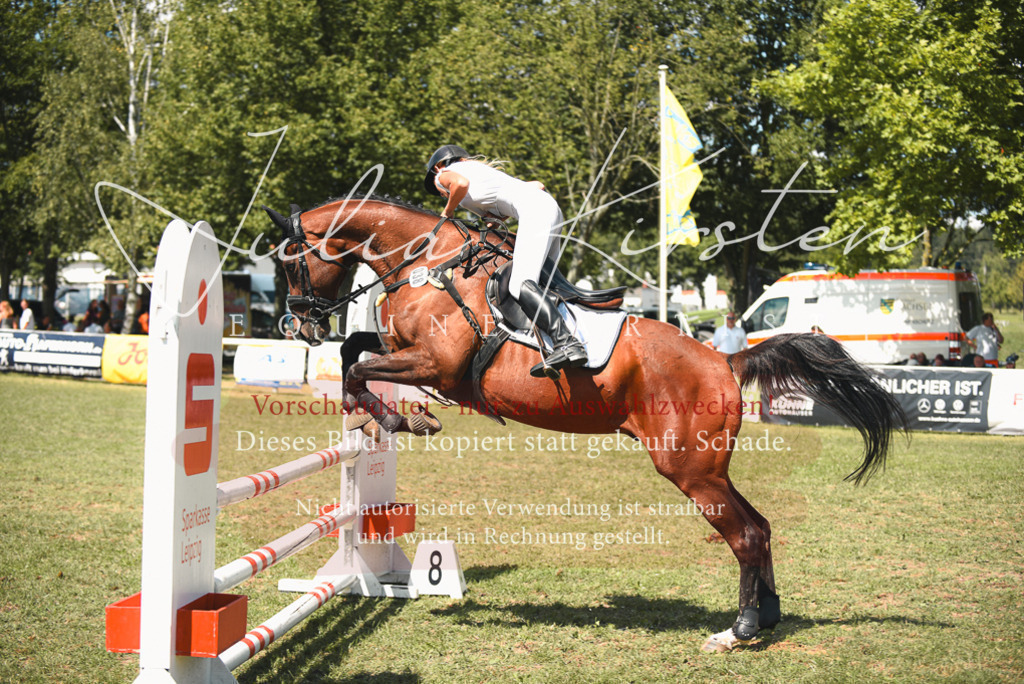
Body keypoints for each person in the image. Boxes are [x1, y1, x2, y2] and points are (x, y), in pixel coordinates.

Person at [424, 144, 586, 377]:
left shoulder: (442, 174)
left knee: (519, 285)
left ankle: (567, 343)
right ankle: (557, 343)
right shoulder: (483, 172)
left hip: (536, 212)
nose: (441, 191)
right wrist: (500, 213)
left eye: (439, 191)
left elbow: (459, 184)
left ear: (439, 166)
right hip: (550, 208)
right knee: (543, 283)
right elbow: (537, 185)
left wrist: (446, 213)